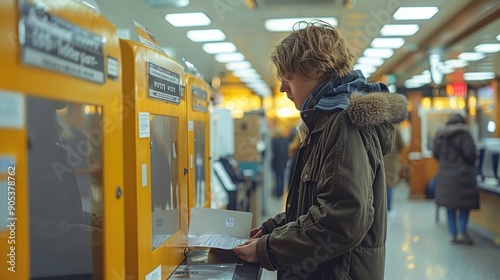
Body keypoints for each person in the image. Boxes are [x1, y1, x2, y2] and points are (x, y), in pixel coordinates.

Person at [233, 20, 408, 279]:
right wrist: (272, 230)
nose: (282, 87)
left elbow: (342, 219)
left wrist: (268, 249)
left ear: (315, 70)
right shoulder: (323, 121)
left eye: (288, 77)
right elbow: (314, 206)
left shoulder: (343, 122)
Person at [432, 113, 479, 245]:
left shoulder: (440, 136)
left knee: (450, 205)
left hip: (445, 175)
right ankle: (461, 233)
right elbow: (471, 155)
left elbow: (435, 154)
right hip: (463, 176)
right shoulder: (465, 134)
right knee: (464, 205)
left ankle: (453, 233)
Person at [383, 126, 404, 217]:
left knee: (378, 185)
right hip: (391, 161)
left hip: (378, 159)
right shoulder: (396, 128)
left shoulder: (376, 126)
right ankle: (389, 209)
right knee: (389, 185)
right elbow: (401, 145)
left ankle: (381, 210)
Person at [271, 126, 289, 198]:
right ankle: (281, 193)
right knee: (281, 178)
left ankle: (278, 193)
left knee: (278, 178)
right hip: (283, 163)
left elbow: (273, 154)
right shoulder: (284, 141)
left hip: (277, 163)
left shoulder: (274, 142)